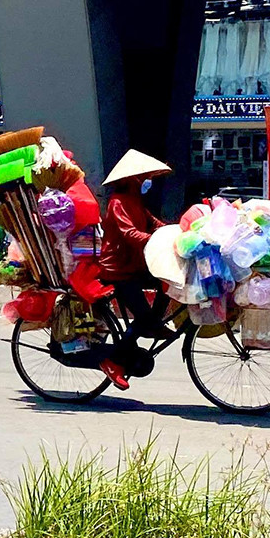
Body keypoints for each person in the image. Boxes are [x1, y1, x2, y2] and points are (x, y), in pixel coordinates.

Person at [97, 149, 175, 391]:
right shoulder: (117, 203)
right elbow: (129, 234)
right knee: (142, 316)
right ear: (133, 179)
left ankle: (153, 324)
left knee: (170, 281)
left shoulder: (136, 203)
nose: (148, 182)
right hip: (118, 270)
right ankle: (113, 362)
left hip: (137, 266)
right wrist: (155, 241)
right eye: (145, 177)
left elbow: (155, 224)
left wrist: (178, 233)